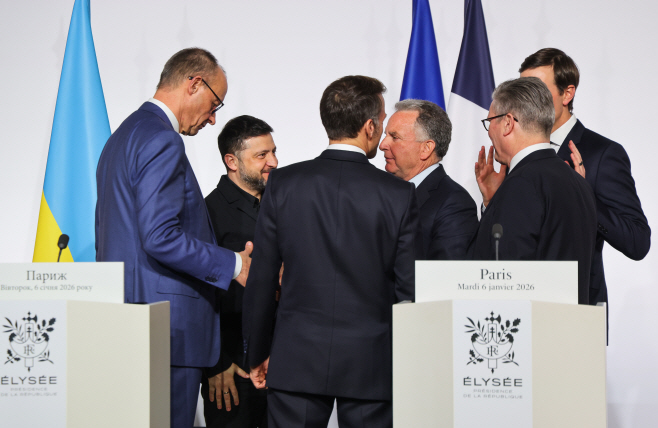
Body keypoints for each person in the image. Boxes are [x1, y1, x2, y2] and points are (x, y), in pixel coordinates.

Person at [242, 75, 417, 428]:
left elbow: (262, 277)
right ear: (369, 126)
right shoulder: (399, 194)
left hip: (296, 360)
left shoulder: (283, 185)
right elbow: (408, 291)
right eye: (382, 120)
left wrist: (257, 352)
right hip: (371, 366)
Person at [95, 48, 252, 428]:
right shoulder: (162, 140)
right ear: (194, 83)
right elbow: (160, 236)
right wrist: (234, 264)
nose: (213, 118)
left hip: (127, 320)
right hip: (168, 330)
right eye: (215, 104)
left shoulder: (121, 137)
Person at [471, 77, 597, 304]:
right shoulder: (579, 182)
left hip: (527, 323)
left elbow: (505, 278)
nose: (489, 131)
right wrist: (493, 203)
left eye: (490, 121)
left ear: (508, 123)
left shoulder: (522, 183)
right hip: (568, 322)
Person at [202, 115, 278, 428]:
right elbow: (197, 295)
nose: (273, 162)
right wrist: (216, 364)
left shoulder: (285, 204)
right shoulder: (206, 213)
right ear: (232, 161)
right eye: (262, 155)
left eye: (273, 151)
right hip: (233, 372)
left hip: (285, 366)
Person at [379, 99, 478, 259]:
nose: (382, 145)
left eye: (395, 137)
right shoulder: (382, 191)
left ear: (426, 148)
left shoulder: (454, 203)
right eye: (386, 135)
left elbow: (447, 271)